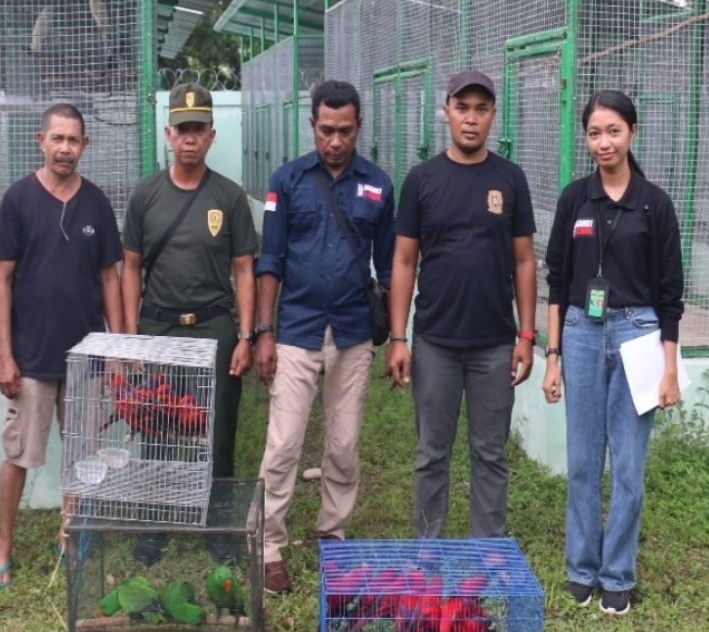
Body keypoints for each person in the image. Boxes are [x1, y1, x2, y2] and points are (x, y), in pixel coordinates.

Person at [541, 90, 683, 615]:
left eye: (614, 131)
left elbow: (671, 295)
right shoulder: (574, 199)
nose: (604, 142)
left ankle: (617, 574)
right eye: (595, 133)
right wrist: (552, 356)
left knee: (627, 466)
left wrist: (668, 369)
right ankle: (581, 567)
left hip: (639, 334)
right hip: (580, 331)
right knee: (581, 461)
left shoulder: (655, 204)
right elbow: (556, 282)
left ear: (633, 133)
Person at [253, 80, 395, 595]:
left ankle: (333, 534)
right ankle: (270, 548)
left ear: (359, 128)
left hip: (355, 332)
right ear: (312, 125)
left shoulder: (378, 185)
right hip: (296, 329)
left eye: (346, 131)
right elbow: (269, 261)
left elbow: (389, 265)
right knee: (284, 443)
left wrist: (396, 336)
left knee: (344, 442)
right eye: (327, 130)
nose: (336, 141)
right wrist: (264, 332)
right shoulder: (286, 182)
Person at [385, 69, 537, 540]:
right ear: (446, 112)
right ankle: (429, 551)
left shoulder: (510, 179)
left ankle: (486, 553)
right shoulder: (422, 179)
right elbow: (405, 260)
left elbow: (525, 260)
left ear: (493, 116)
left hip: (494, 343)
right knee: (432, 454)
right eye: (462, 108)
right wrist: (398, 337)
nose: (471, 119)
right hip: (435, 342)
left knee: (490, 453)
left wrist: (527, 335)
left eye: (481, 109)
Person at [0, 103, 124, 589]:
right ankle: (4, 543)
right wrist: (4, 354)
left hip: (86, 358)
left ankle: (71, 535)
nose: (65, 148)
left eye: (74, 140)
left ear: (85, 145)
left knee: (82, 456)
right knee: (19, 453)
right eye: (57, 139)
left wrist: (117, 347)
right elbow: (1, 279)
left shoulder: (98, 204)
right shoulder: (18, 199)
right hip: (32, 358)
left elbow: (110, 277)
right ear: (40, 140)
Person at [120, 83, 257, 562]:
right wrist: (132, 337)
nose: (190, 138)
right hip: (159, 329)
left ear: (212, 135)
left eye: (199, 129)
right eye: (182, 129)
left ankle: (219, 525)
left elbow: (244, 269)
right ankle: (155, 525)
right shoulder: (145, 195)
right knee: (155, 427)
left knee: (217, 432)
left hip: (214, 328)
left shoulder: (229, 197)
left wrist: (245, 334)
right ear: (168, 134)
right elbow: (131, 266)